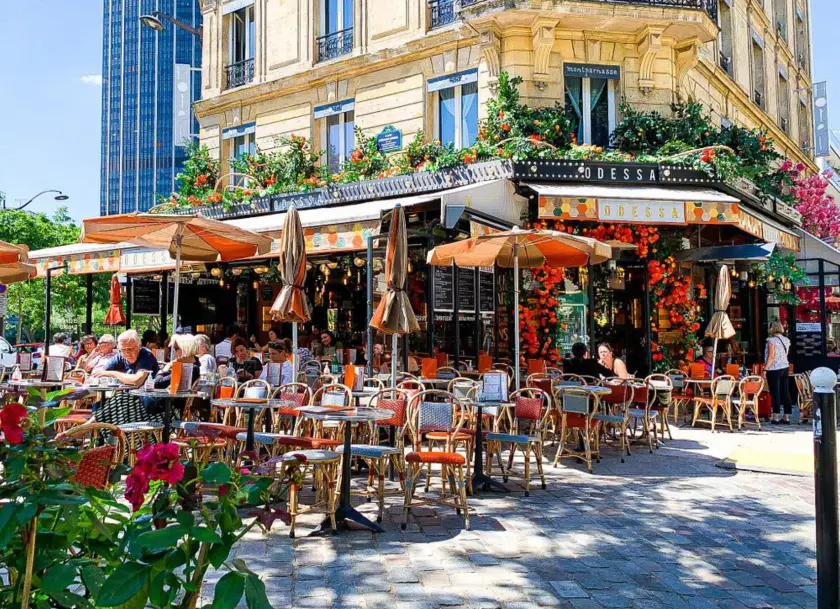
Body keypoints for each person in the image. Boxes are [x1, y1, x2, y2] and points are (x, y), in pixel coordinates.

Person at [93, 329, 160, 387]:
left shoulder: (146, 355)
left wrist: (113, 374)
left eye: (130, 349)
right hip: (125, 394)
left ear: (139, 346)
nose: (127, 352)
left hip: (146, 395)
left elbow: (137, 380)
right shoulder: (120, 356)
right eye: (123, 349)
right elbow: (100, 373)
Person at [765, 321, 793, 425]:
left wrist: (765, 369)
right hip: (785, 367)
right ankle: (786, 416)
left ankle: (775, 416)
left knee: (775, 392)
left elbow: (771, 356)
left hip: (774, 368)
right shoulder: (786, 340)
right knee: (785, 391)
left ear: (772, 329)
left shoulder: (771, 340)